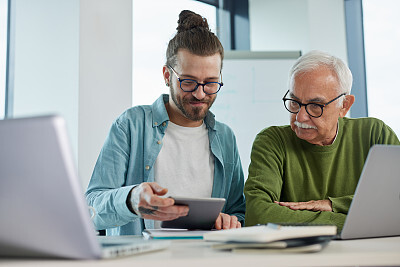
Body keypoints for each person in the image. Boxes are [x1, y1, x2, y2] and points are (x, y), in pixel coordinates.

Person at [85, 10, 245, 236]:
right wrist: (131, 200)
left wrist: (231, 221)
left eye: (210, 83)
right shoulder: (130, 126)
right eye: (188, 82)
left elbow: (238, 212)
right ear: (166, 76)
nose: (200, 94)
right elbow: (91, 208)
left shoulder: (226, 137)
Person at [244, 50, 400, 231]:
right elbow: (257, 215)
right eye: (294, 102)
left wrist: (333, 204)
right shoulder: (272, 141)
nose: (300, 117)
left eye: (315, 106)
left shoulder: (374, 133)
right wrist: (355, 222)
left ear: (345, 105)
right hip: (297, 258)